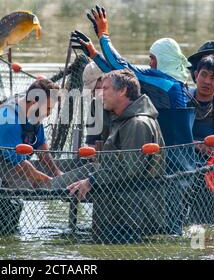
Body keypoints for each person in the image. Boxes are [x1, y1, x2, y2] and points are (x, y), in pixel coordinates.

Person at [71, 5, 195, 147]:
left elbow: (123, 67)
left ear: (165, 58)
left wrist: (103, 36)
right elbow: (123, 75)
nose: (150, 64)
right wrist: (94, 55)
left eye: (152, 58)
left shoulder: (168, 84)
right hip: (167, 156)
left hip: (170, 161)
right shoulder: (175, 84)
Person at [67, 69, 166, 244]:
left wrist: (91, 181)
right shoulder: (123, 119)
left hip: (133, 218)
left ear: (123, 91)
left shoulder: (137, 124)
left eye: (105, 89)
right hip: (121, 213)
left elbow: (131, 171)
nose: (100, 93)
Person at [0, 79, 64, 235]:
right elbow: (20, 165)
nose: (49, 113)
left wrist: (58, 174)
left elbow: (42, 150)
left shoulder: (34, 116)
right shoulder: (7, 118)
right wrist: (51, 183)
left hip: (13, 187)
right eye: (48, 108)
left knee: (11, 234)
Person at [82, 61, 110, 147]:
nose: (96, 94)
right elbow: (91, 142)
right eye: (92, 92)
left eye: (98, 88)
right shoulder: (95, 105)